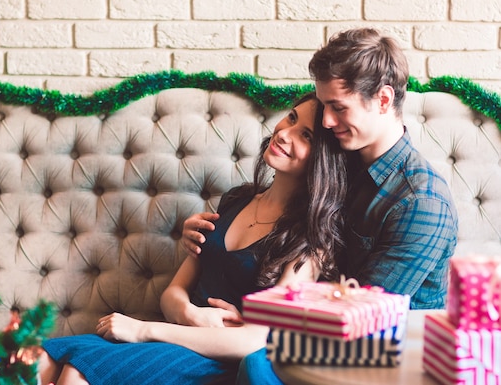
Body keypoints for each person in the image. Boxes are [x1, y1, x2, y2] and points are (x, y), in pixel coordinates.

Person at [37, 92, 348, 385]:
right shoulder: (235, 201)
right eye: (291, 118)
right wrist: (191, 315)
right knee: (36, 361)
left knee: (77, 374)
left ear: (323, 159)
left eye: (305, 135)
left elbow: (254, 341)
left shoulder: (310, 241)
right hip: (177, 334)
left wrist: (144, 330)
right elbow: (173, 292)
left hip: (216, 359)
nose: (284, 133)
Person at [308, 27, 458, 310]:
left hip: (390, 347)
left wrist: (265, 319)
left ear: (384, 100)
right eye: (323, 107)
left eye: (338, 108)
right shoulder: (339, 163)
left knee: (253, 356)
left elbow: (361, 312)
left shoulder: (422, 202)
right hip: (325, 331)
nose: (326, 121)